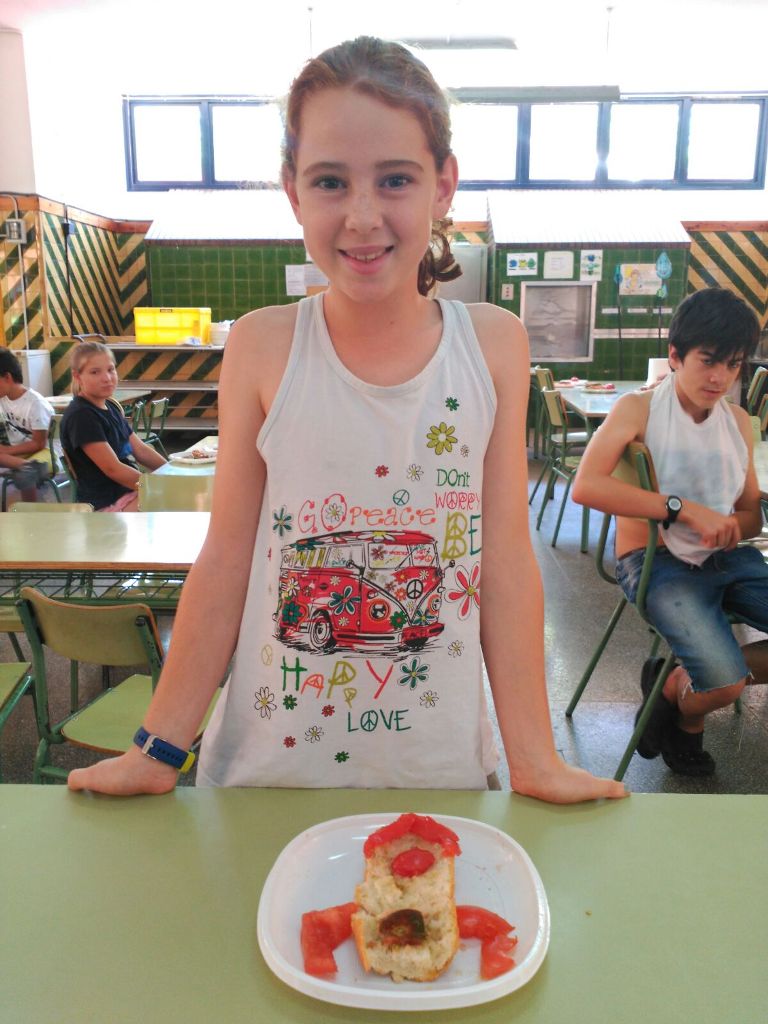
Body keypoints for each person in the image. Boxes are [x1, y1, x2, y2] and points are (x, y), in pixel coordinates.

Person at [68, 36, 625, 802]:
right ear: (293, 192)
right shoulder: (263, 345)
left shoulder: (492, 344)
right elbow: (226, 561)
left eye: (395, 179)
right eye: (331, 181)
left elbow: (502, 561)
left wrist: (535, 759)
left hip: (438, 771)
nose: (363, 217)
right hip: (267, 770)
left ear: (443, 185)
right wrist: (158, 750)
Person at [573, 286, 765, 776]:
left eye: (733, 364)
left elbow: (749, 513)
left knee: (724, 675)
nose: (720, 377)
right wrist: (683, 510)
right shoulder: (638, 409)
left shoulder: (737, 421)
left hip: (727, 559)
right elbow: (586, 485)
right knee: (724, 684)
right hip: (655, 561)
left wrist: (731, 526)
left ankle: (677, 681)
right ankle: (690, 706)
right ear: (675, 356)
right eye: (708, 361)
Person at [60, 340, 166, 511]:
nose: (107, 378)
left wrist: (173, 472)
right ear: (77, 376)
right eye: (95, 372)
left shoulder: (110, 407)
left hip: (128, 492)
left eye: (110, 370)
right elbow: (113, 469)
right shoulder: (82, 416)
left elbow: (141, 450)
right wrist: (155, 486)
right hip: (107, 504)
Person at [0, 347, 54, 500]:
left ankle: (31, 508)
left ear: (7, 377)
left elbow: (39, 443)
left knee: (25, 475)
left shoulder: (35, 403)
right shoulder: (3, 398)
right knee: (25, 471)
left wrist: (6, 450)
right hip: (21, 451)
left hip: (45, 451)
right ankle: (26, 466)